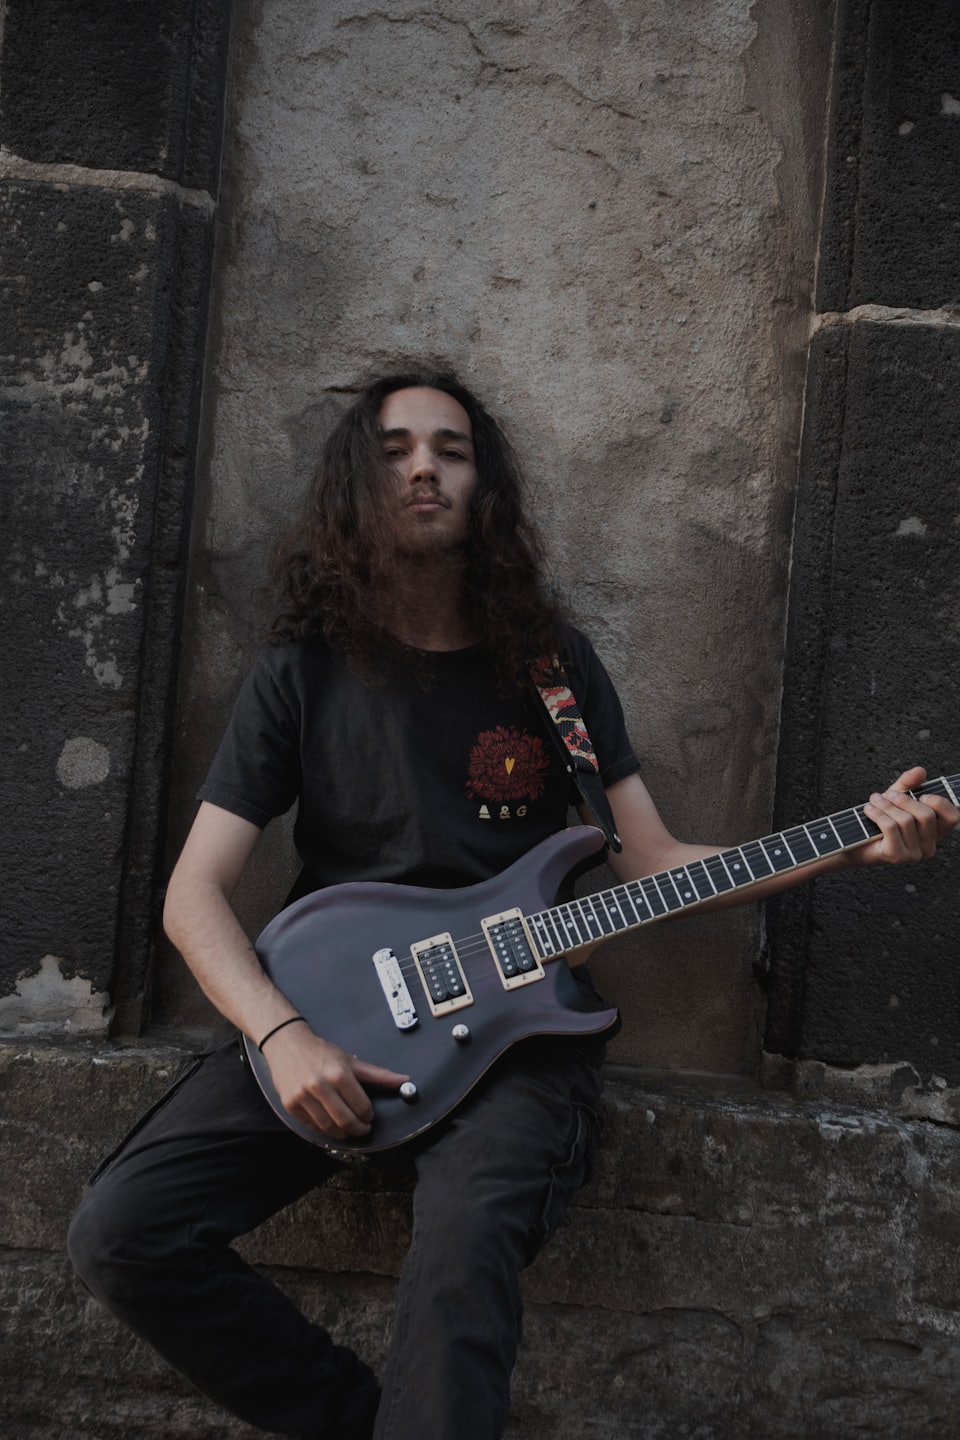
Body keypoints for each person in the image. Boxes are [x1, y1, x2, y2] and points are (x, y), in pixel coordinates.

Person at [68, 371, 959, 1440]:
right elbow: (193, 895)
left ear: (483, 485)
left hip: (521, 1037)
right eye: (396, 450)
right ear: (357, 481)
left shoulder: (551, 668)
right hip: (329, 1014)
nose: (424, 469)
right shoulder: (300, 668)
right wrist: (280, 1032)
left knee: (463, 1250)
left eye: (451, 450)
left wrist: (853, 844)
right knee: (121, 1232)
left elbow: (654, 862)